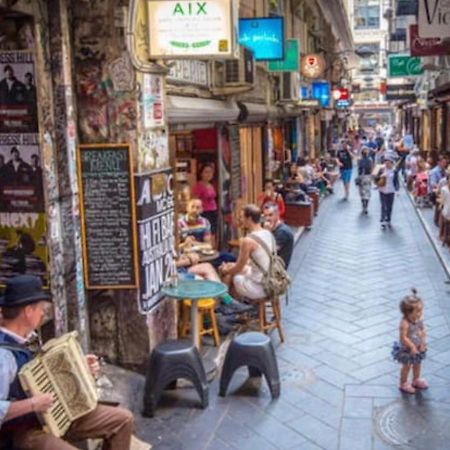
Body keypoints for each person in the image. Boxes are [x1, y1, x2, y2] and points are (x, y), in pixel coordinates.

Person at [0, 275, 134, 449]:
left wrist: (80, 367)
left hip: (57, 415)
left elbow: (45, 371)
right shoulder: (4, 356)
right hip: (23, 430)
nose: (43, 313)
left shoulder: (29, 337)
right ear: (28, 312)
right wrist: (33, 404)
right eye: (40, 309)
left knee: (123, 420)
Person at [220, 205, 275, 300]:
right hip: (270, 279)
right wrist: (230, 266)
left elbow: (238, 267)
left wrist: (225, 270)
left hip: (259, 287)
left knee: (232, 275)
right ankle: (232, 303)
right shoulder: (268, 233)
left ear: (249, 219)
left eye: (242, 217)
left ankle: (232, 305)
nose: (241, 220)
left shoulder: (248, 240)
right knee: (231, 267)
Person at [392, 288, 427, 394]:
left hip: (417, 346)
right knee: (406, 366)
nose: (420, 313)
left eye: (421, 310)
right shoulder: (404, 323)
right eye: (418, 311)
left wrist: (422, 343)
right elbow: (403, 338)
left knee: (417, 363)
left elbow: (422, 331)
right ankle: (403, 383)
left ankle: (416, 379)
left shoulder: (419, 320)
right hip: (407, 348)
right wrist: (411, 346)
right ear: (408, 313)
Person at [262, 203, 294, 268]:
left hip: (276, 270)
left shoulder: (282, 232)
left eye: (270, 215)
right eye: (265, 216)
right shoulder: (272, 228)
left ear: (277, 215)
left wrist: (267, 232)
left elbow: (269, 252)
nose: (267, 218)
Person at [192, 163, 218, 237]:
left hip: (213, 212)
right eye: (206, 172)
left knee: (213, 232)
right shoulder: (199, 186)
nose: (209, 174)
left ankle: (213, 247)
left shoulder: (211, 185)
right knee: (206, 233)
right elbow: (194, 200)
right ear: (201, 174)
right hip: (204, 212)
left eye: (210, 172)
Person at [375, 155, 399, 229]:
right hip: (382, 190)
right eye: (386, 162)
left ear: (392, 163)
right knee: (383, 205)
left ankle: (388, 219)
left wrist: (397, 190)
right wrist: (381, 176)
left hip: (391, 190)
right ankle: (382, 220)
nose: (387, 164)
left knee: (389, 206)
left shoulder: (394, 171)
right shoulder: (381, 169)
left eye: (389, 162)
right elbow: (375, 178)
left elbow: (396, 181)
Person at [357, 147, 373, 215]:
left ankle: (364, 205)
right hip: (365, 177)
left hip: (364, 177)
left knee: (364, 192)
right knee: (365, 192)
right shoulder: (368, 160)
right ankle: (364, 205)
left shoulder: (361, 160)